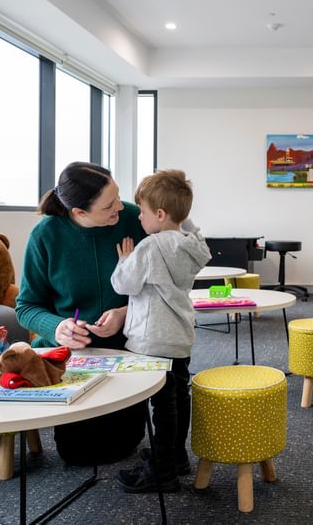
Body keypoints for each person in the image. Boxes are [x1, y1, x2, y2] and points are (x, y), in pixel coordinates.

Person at [15, 161, 147, 466]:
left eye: (117, 197)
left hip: (129, 346)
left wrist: (125, 312)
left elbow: (165, 287)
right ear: (79, 212)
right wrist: (57, 327)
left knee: (125, 444)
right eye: (109, 205)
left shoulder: (134, 219)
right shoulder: (45, 235)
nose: (119, 207)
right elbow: (27, 307)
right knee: (77, 453)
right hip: (75, 356)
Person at [109, 169, 211, 493]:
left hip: (152, 338)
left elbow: (123, 284)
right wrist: (183, 219)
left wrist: (124, 260)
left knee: (162, 406)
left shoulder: (149, 247)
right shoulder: (192, 246)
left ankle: (161, 471)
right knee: (179, 397)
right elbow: (200, 239)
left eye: (143, 211)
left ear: (161, 214)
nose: (139, 217)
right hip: (179, 336)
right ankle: (176, 456)